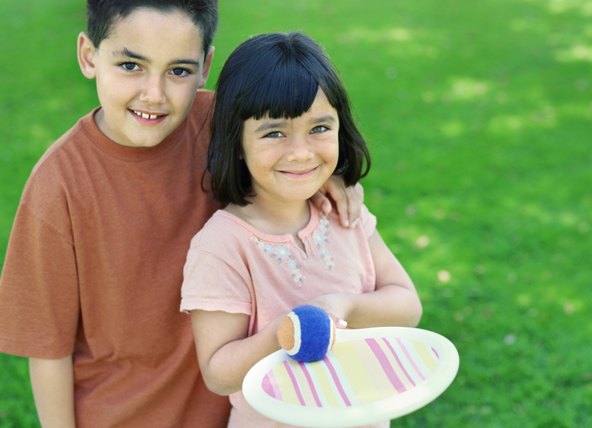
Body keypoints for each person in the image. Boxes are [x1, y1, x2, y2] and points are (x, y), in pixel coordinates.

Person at [0, 2, 363, 427]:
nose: (153, 94)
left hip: (238, 409)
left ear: (206, 65)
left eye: (178, 71)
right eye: (131, 65)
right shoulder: (58, 186)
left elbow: (291, 147)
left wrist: (327, 178)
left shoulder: (224, 125)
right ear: (88, 55)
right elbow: (48, 350)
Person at [180, 32, 423, 427]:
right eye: (274, 132)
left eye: (319, 128)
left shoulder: (345, 214)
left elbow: (408, 307)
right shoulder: (223, 245)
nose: (301, 152)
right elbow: (218, 372)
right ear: (236, 142)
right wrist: (283, 333)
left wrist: (343, 305)